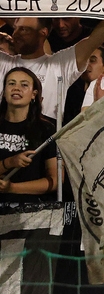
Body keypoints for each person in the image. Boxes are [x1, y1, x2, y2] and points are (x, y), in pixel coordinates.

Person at [1, 15, 104, 121]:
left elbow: (94, 40)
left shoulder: (60, 64)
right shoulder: (3, 62)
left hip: (42, 142)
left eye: (24, 29)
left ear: (43, 32)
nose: (15, 34)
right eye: (15, 28)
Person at [0, 68, 57, 203]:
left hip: (30, 212)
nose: (16, 88)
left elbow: (55, 181)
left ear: (34, 94)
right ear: (4, 92)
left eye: (24, 85)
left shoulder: (46, 129)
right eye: (11, 83)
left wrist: (12, 188)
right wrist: (9, 163)